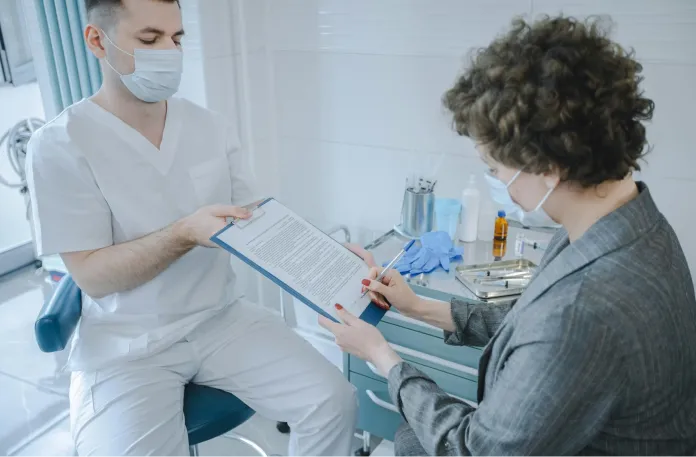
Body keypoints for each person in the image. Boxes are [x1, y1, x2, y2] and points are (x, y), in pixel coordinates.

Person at [320, 15, 696, 457]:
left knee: (412, 441)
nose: (497, 181)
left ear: (549, 168)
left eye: (496, 168)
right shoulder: (627, 222)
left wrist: (383, 358)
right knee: (409, 440)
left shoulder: (585, 309)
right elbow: (530, 323)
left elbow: (474, 449)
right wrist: (418, 306)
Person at [26, 1, 358, 455]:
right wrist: (183, 234)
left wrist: (334, 263)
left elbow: (257, 217)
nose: (169, 51)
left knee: (332, 401)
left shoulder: (207, 126)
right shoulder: (61, 145)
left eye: (177, 38)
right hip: (127, 344)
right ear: (97, 40)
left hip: (219, 317)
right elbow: (92, 276)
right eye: (149, 39)